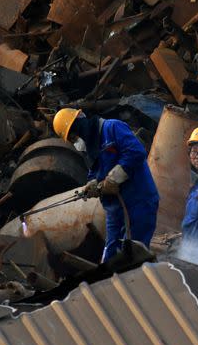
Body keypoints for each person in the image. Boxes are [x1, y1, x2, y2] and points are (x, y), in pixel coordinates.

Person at [53, 108, 159, 262]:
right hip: (114, 209)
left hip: (138, 201)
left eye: (74, 136)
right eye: (72, 139)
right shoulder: (89, 146)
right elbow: (95, 170)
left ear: (79, 126)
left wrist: (113, 178)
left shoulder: (112, 128)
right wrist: (93, 183)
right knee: (111, 255)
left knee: (135, 253)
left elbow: (136, 152)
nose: (75, 141)